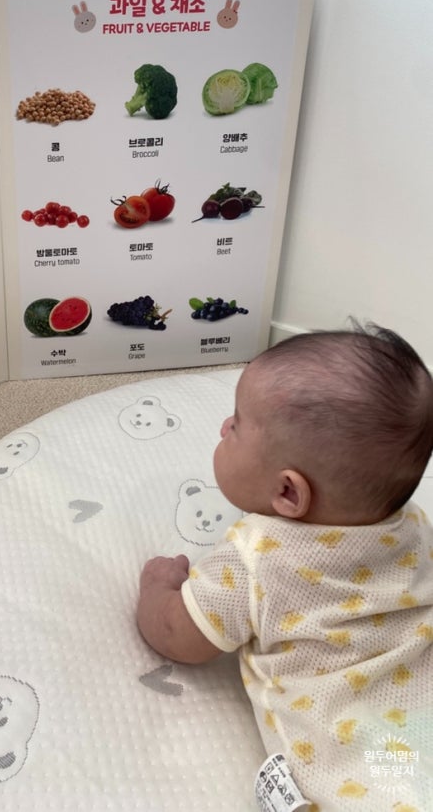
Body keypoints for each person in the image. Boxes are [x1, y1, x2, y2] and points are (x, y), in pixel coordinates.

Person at [137, 324, 433, 811]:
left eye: (237, 425)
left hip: (356, 764)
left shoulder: (257, 556)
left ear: (288, 492)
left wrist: (159, 587)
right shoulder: (413, 524)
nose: (223, 428)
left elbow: (177, 636)